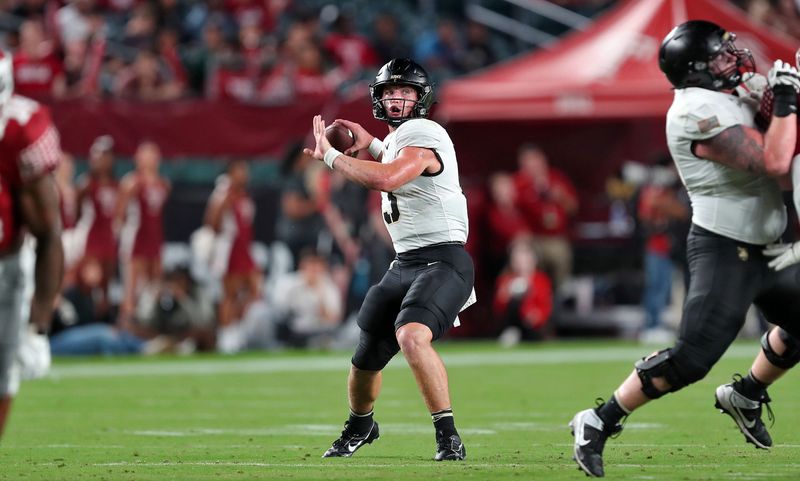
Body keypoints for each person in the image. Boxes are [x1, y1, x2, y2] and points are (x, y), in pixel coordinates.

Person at [569, 20, 800, 477]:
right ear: (697, 71)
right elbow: (775, 161)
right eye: (719, 56)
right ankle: (598, 420)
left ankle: (747, 393)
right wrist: (787, 103)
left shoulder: (730, 88)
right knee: (692, 358)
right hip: (725, 246)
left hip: (769, 241)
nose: (731, 60)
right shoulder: (694, 110)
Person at [304, 58, 475, 461]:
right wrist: (376, 145)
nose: (396, 99)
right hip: (406, 262)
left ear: (421, 98)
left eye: (405, 92)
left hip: (443, 260)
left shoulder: (424, 130)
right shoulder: (401, 139)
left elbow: (388, 178)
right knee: (365, 355)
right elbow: (400, 165)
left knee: (411, 335)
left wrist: (331, 156)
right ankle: (361, 425)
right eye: (388, 92)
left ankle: (448, 435)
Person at [0, 50, 64, 437]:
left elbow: (48, 232)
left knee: (2, 379)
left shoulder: (18, 131)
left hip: (5, 268)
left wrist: (37, 326)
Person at [116, 141, 170, 327]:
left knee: (154, 284)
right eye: (145, 154)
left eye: (152, 154)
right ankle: (126, 326)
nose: (149, 159)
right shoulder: (132, 182)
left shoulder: (163, 184)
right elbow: (119, 215)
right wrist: (122, 239)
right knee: (131, 286)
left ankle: (150, 323)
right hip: (135, 238)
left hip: (154, 238)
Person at [204, 161, 262, 327]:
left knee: (255, 290)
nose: (244, 174)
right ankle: (227, 331)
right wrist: (223, 205)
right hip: (230, 250)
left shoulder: (244, 194)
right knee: (230, 293)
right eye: (240, 170)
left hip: (245, 248)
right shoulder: (223, 194)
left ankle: (239, 325)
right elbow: (212, 224)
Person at [75, 135, 118, 316]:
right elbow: (76, 213)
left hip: (109, 239)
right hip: (91, 239)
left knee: (106, 283)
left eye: (104, 156)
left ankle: (103, 317)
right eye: (97, 155)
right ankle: (83, 315)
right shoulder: (86, 184)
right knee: (88, 280)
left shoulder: (116, 185)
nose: (100, 160)